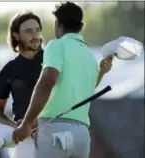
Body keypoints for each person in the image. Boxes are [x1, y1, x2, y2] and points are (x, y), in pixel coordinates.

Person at [13, 2, 113, 158]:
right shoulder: (89, 55)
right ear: (80, 26)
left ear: (58, 24)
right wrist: (101, 73)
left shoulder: (56, 45)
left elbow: (48, 80)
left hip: (55, 133)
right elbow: (84, 91)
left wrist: (26, 123)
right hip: (82, 136)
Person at [0, 10, 43, 158]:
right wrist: (17, 127)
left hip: (54, 133)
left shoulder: (53, 61)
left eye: (37, 30)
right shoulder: (8, 71)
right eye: (28, 31)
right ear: (16, 35)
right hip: (24, 141)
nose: (35, 35)